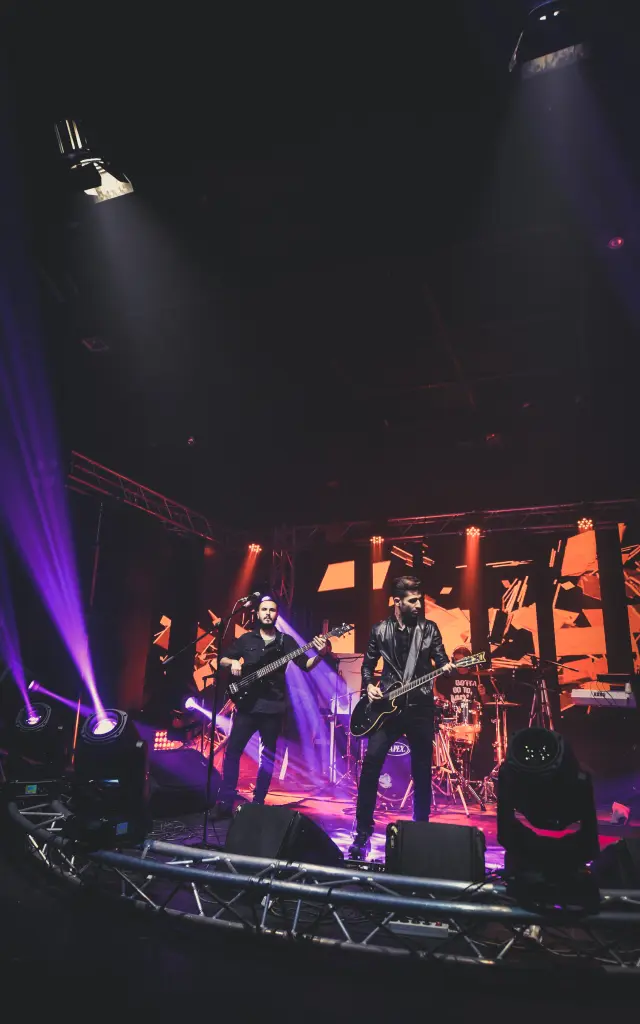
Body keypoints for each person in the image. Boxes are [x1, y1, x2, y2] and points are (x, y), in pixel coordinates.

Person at [349, 575, 450, 859]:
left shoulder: (430, 629)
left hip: (420, 708)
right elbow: (368, 666)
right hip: (387, 711)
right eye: (413, 600)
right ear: (397, 601)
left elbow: (441, 660)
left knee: (421, 771)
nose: (419, 604)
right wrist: (369, 685)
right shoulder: (380, 630)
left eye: (420, 599)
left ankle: (421, 831)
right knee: (370, 767)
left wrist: (448, 666)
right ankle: (362, 833)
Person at [213, 596, 330, 817]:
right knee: (232, 753)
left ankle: (257, 804)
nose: (267, 613)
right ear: (257, 614)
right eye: (264, 609)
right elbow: (222, 660)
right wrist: (234, 663)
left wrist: (321, 655)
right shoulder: (246, 639)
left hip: (273, 709)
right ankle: (225, 800)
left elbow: (306, 665)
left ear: (277, 615)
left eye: (272, 610)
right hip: (246, 706)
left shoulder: (286, 642)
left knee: (267, 757)